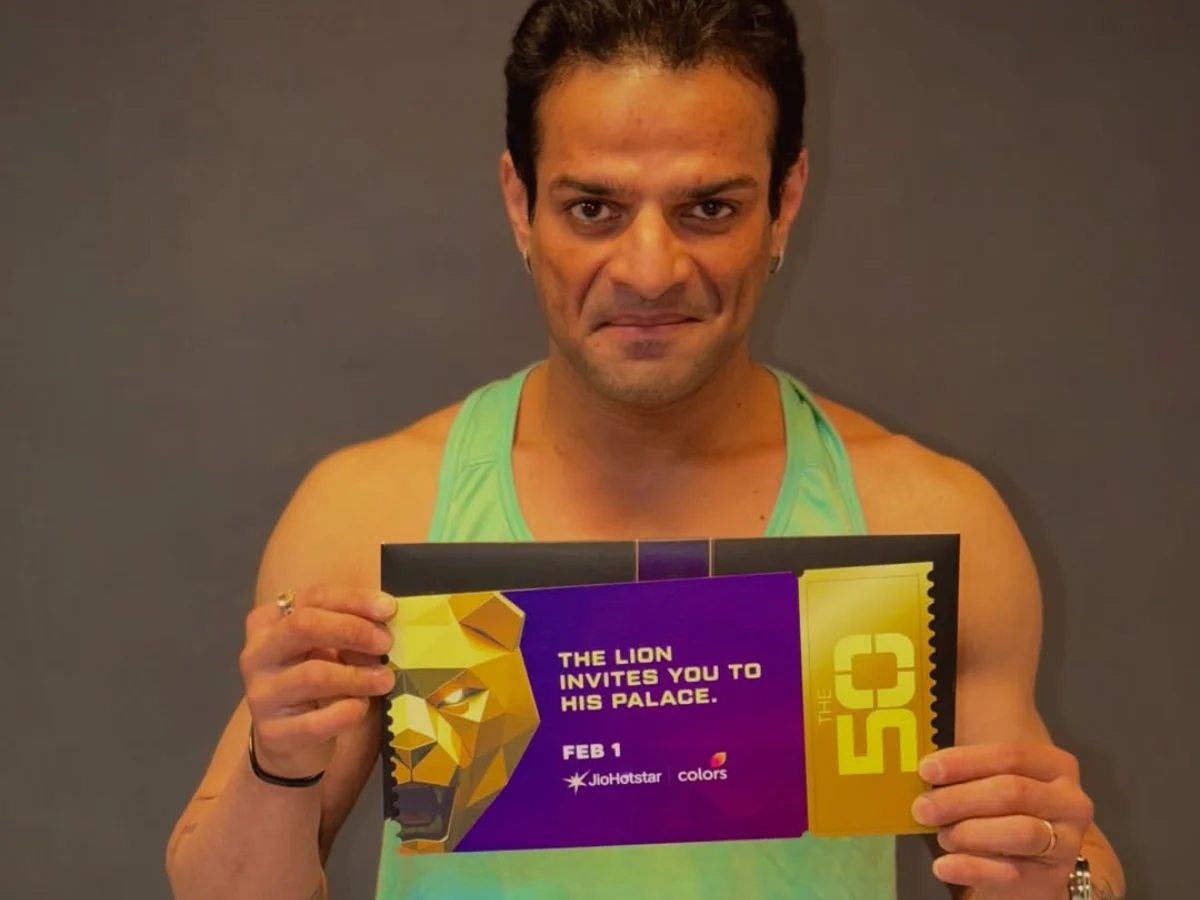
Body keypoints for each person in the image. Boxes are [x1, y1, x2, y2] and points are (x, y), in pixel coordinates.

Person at [165, 1, 1126, 897]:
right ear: (519, 202)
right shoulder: (371, 514)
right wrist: (275, 763)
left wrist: (1060, 870)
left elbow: (1048, 868)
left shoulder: (922, 520)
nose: (651, 270)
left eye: (709, 208)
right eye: (595, 208)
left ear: (786, 199)